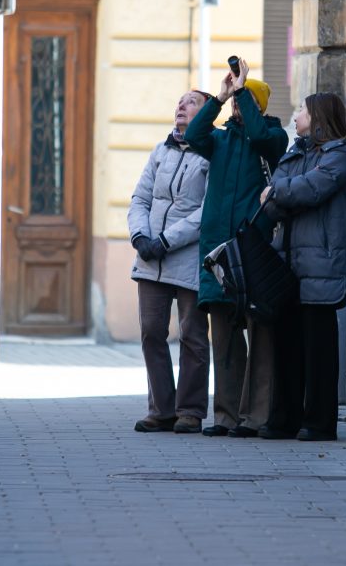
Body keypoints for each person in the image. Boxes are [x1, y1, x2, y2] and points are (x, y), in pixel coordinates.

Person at [185, 58, 288, 437]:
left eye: (244, 101)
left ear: (256, 104)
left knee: (260, 337)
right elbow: (194, 135)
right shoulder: (221, 139)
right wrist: (219, 97)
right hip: (219, 252)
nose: (237, 107)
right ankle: (226, 416)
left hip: (253, 249)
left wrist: (243, 91)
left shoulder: (274, 136)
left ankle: (254, 417)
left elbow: (260, 137)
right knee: (225, 341)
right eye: (236, 101)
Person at [258, 92, 346, 441]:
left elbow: (313, 189)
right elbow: (271, 202)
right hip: (287, 262)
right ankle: (284, 420)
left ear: (318, 116)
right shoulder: (295, 153)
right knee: (285, 346)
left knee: (318, 350)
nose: (297, 115)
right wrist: (283, 195)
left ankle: (319, 423)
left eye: (301, 109)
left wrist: (280, 193)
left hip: (321, 262)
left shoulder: (342, 153)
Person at [128, 90, 213, 434]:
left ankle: (189, 411)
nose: (181, 105)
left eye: (192, 102)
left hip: (188, 257)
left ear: (207, 114)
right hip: (150, 258)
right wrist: (140, 237)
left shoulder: (210, 154)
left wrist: (166, 240)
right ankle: (161, 410)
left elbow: (206, 213)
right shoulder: (160, 150)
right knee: (151, 332)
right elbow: (140, 198)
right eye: (180, 100)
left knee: (193, 335)